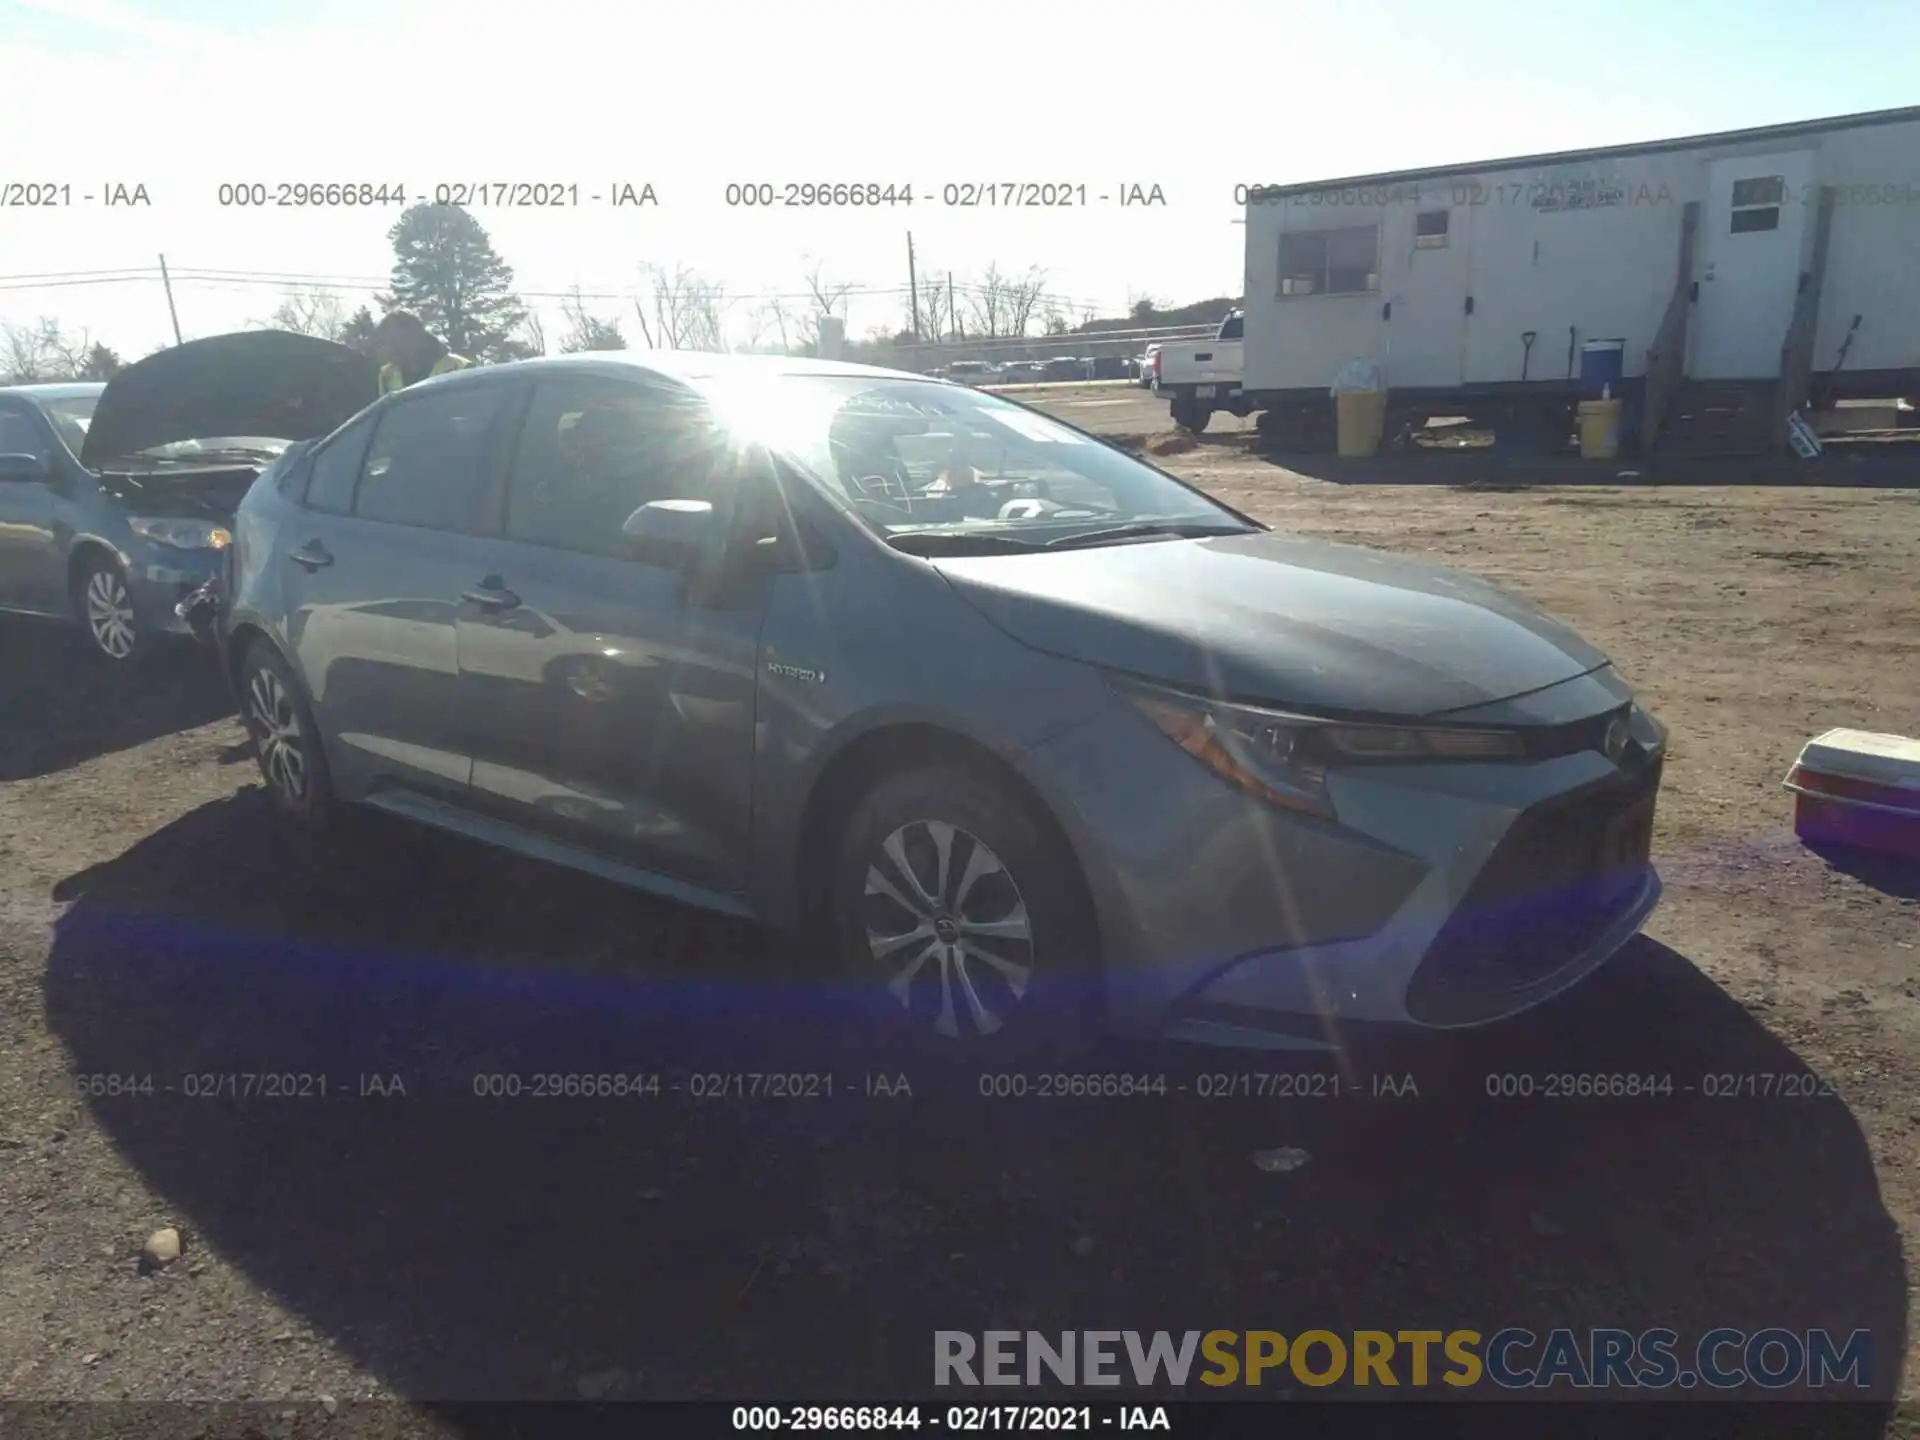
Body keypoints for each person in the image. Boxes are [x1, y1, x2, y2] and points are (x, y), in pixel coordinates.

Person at [367, 310, 474, 393]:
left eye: (396, 341)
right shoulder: (386, 376)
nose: (391, 348)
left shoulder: (461, 368)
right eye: (386, 342)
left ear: (419, 337)